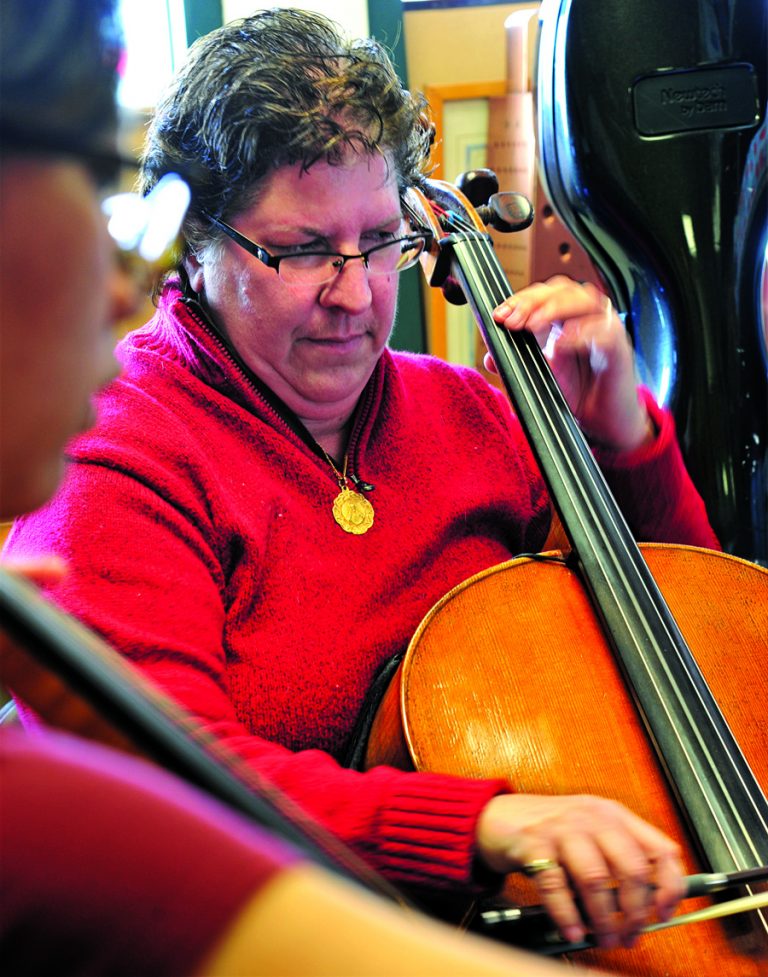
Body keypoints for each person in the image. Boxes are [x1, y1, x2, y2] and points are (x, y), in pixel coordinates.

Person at [4, 5, 720, 955]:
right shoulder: (110, 443)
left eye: (380, 241)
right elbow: (170, 781)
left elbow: (704, 652)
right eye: (301, 250)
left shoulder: (476, 410)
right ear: (198, 245)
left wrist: (625, 438)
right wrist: (475, 825)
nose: (355, 294)